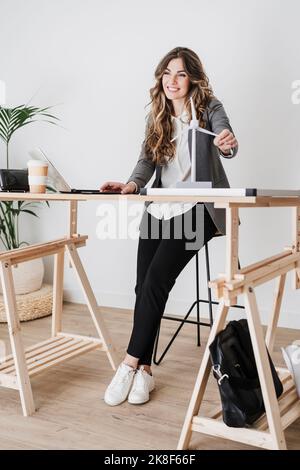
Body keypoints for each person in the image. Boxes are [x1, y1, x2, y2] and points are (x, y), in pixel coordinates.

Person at [100, 46, 238, 406]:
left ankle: (128, 363)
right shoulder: (157, 117)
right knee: (142, 284)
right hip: (159, 207)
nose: (172, 81)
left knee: (158, 278)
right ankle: (145, 369)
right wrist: (130, 185)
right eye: (166, 73)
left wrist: (226, 144)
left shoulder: (210, 108)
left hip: (198, 209)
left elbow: (226, 140)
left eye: (180, 74)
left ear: (192, 78)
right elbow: (146, 161)